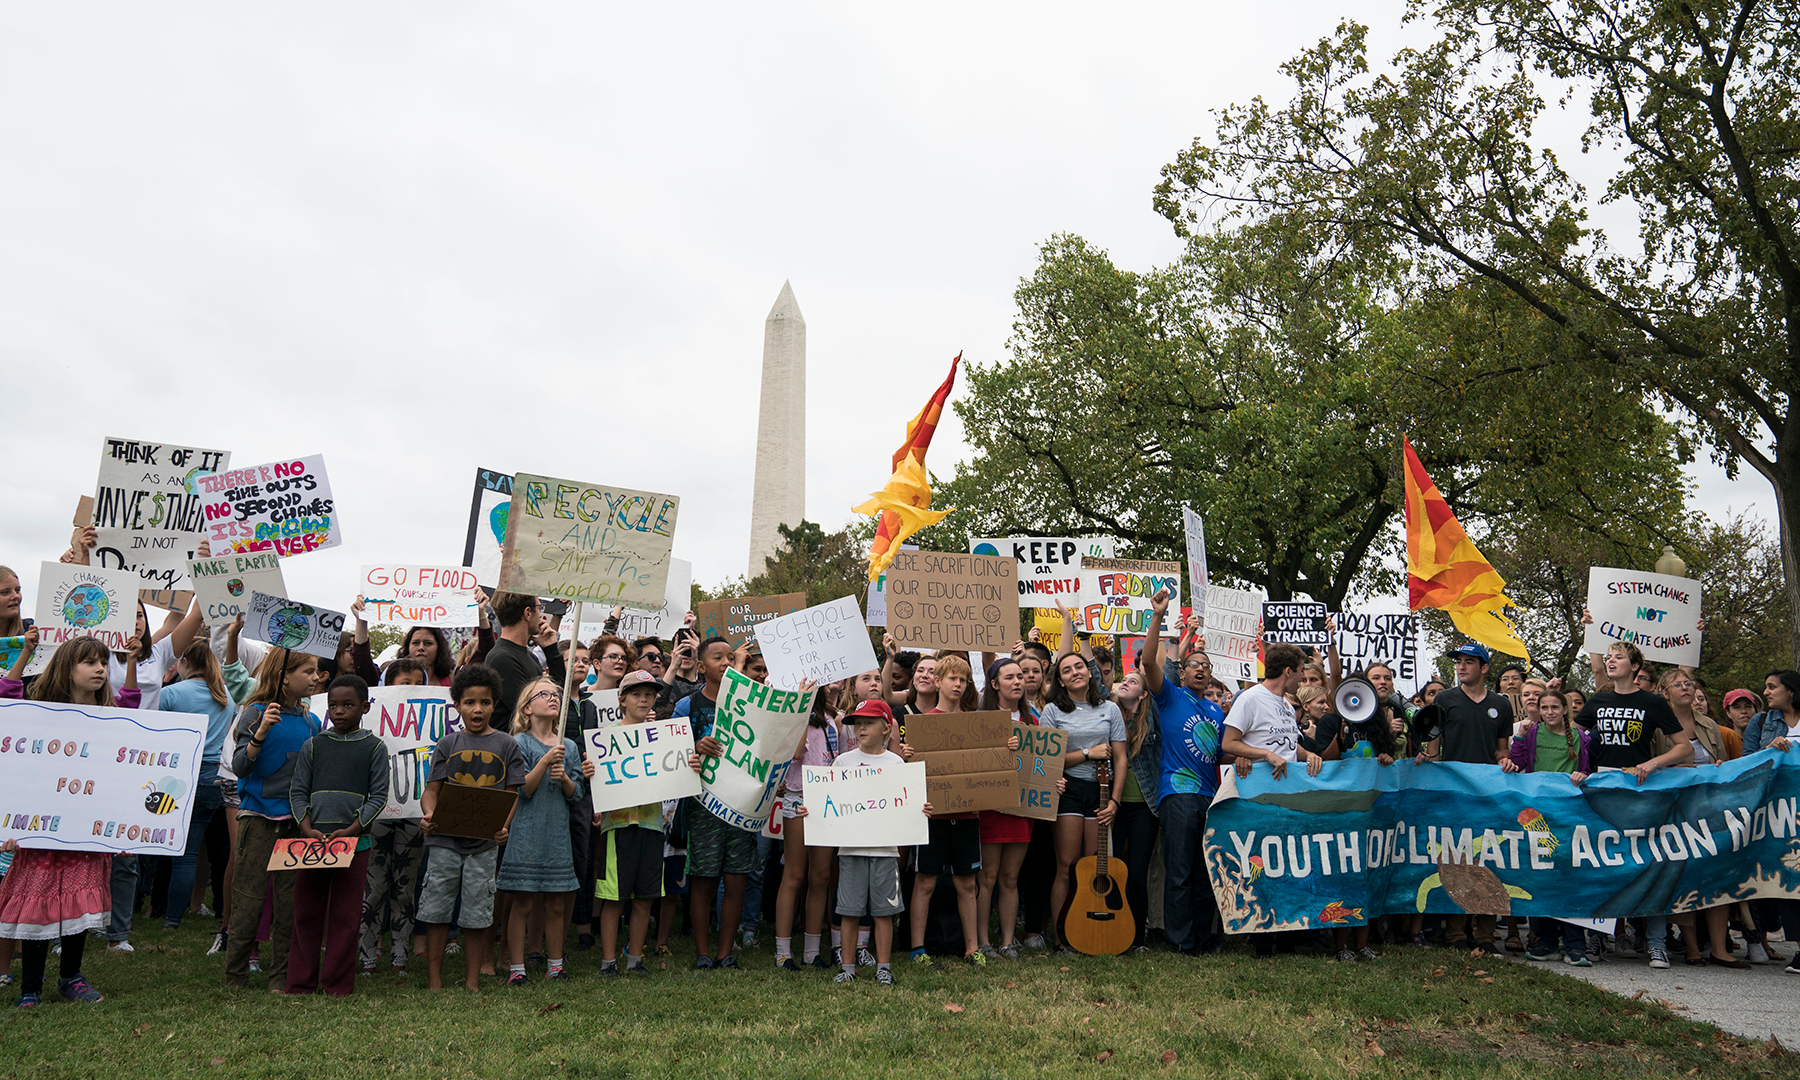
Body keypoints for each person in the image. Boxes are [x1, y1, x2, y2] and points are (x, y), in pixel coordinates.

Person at [0, 633, 141, 1005]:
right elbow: (8, 697)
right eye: (90, 662)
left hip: (86, 833)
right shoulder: (39, 713)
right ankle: (30, 985)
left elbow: (130, 708)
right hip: (42, 833)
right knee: (39, 904)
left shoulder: (110, 718)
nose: (99, 669)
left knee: (78, 904)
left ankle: (70, 978)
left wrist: (127, 831)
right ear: (67, 667)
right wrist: (27, 651)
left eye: (103, 662)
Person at [1568, 641, 1691, 969]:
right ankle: (1595, 938)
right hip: (1602, 793)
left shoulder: (1652, 702)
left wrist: (1654, 764)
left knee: (1648, 863)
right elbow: (1569, 738)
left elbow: (1684, 749)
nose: (1611, 661)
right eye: (1608, 657)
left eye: (1618, 657)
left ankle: (1656, 943)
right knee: (1602, 864)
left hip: (1641, 792)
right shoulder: (1599, 700)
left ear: (1635, 666)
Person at [418, 663, 527, 991]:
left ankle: (472, 981)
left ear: (494, 704)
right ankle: (434, 981)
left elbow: (512, 795)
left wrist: (501, 828)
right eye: (469, 702)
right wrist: (428, 815)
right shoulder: (447, 744)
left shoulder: (508, 745)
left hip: (483, 844)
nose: (477, 709)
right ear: (458, 706)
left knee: (478, 914)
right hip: (444, 842)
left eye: (484, 702)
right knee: (437, 911)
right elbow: (432, 790)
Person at [807, 699, 928, 985]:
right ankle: (847, 968)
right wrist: (810, 810)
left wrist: (920, 810)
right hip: (850, 849)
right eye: (857, 723)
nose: (861, 727)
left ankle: (883, 967)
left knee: (883, 913)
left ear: (887, 728)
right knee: (848, 911)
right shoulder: (843, 762)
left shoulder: (896, 763)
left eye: (868, 722)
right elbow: (828, 801)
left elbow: (906, 803)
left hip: (886, 850)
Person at [224, 648, 325, 990]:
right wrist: (260, 732)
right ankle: (235, 973)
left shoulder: (312, 722)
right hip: (257, 820)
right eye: (309, 671)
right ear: (284, 677)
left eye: (317, 671)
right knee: (249, 899)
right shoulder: (254, 712)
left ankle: (280, 975)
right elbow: (240, 767)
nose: (316, 677)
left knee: (289, 903)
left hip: (296, 824)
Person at [286, 674, 389, 996]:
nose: (339, 711)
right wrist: (306, 827)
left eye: (348, 704)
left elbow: (379, 795)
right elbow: (298, 790)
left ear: (364, 707)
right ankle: (300, 983)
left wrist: (353, 829)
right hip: (312, 843)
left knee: (345, 916)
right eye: (333, 705)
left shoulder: (374, 747)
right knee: (306, 912)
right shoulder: (314, 745)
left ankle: (337, 984)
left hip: (354, 844)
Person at [1220, 641, 1320, 957]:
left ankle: (1288, 937)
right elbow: (1229, 742)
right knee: (1261, 865)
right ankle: (1261, 939)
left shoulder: (1287, 705)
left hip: (1290, 797)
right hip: (1259, 798)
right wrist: (1263, 754)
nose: (1303, 677)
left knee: (1289, 864)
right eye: (1301, 671)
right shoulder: (1250, 699)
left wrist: (1309, 754)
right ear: (1288, 671)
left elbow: (1288, 747)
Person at [1411, 642, 1512, 952]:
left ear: (1484, 668)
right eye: (1458, 662)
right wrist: (1426, 759)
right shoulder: (1445, 699)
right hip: (1452, 794)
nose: (1461, 667)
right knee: (1455, 860)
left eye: (1470, 662)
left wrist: (1506, 761)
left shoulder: (1502, 704)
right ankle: (1455, 935)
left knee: (1488, 862)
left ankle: (1485, 936)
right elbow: (1433, 746)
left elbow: (1502, 750)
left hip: (1488, 795)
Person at [1141, 592, 1225, 956]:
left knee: (1205, 873)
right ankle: (1180, 941)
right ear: (1184, 671)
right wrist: (1157, 617)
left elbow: (1226, 748)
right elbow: (1147, 662)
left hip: (1212, 798)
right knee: (1178, 873)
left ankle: (1203, 940)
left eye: (1206, 665)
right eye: (1194, 665)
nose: (1201, 669)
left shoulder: (1217, 710)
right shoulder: (1171, 697)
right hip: (1177, 793)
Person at [674, 637, 756, 969]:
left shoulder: (750, 703)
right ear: (701, 666)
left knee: (736, 877)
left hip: (740, 805)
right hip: (703, 805)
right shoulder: (687, 706)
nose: (725, 662)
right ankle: (703, 953)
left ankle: (726, 952)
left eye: (730, 657)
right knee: (704, 878)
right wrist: (694, 747)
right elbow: (670, 754)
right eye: (717, 657)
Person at [905, 653, 991, 966]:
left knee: (967, 883)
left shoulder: (976, 723)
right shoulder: (921, 726)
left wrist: (1003, 749)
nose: (958, 684)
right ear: (938, 681)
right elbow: (908, 775)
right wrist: (908, 756)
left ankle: (972, 949)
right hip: (932, 816)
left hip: (967, 816)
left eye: (963, 679)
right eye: (953, 678)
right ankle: (918, 949)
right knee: (925, 881)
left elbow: (989, 764)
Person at [497, 675, 584, 984]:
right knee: (522, 902)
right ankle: (517, 969)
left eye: (556, 694)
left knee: (557, 903)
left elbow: (577, 795)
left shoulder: (569, 746)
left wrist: (565, 780)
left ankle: (556, 964)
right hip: (526, 834)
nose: (553, 698)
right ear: (527, 709)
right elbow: (524, 790)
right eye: (544, 694)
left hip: (556, 834)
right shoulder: (518, 743)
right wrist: (545, 761)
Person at [1038, 648, 1127, 952]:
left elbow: (1121, 758)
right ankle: (1062, 937)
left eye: (1079, 667)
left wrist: (1115, 801)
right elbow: (1047, 760)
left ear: (1090, 673)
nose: (1074, 672)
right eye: (1067, 670)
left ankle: (1087, 931)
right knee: (1066, 865)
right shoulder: (1052, 712)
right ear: (1060, 681)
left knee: (1091, 867)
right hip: (1068, 791)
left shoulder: (1110, 710)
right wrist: (1088, 753)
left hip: (1101, 791)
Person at [156, 637, 242, 932]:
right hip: (213, 780)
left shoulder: (171, 694)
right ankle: (176, 915)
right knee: (195, 851)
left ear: (185, 663)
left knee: (179, 854)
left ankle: (170, 918)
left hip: (178, 776)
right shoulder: (226, 698)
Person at [1504, 689, 1592, 966]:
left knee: (1570, 876)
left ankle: (1576, 943)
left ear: (1565, 710)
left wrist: (1584, 774)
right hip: (1537, 815)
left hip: (1568, 814)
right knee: (1539, 875)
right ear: (1539, 710)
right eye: (1545, 707)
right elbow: (1517, 764)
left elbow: (1590, 771)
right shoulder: (1531, 734)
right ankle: (1546, 942)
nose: (1550, 712)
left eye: (1556, 707)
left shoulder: (1581, 738)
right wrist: (1516, 743)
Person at [358, 658, 431, 976]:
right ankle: (366, 954)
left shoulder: (429, 721)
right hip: (377, 813)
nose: (411, 689)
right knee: (373, 887)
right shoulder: (370, 719)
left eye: (418, 683)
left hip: (413, 813)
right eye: (404, 683)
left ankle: (399, 955)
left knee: (405, 886)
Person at [592, 670, 667, 976]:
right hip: (618, 826)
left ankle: (635, 959)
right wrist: (590, 769)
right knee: (614, 897)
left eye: (649, 694)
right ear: (621, 699)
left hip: (651, 824)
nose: (644, 699)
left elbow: (674, 773)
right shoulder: (605, 736)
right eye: (636, 694)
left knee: (645, 897)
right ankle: (608, 962)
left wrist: (689, 763)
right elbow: (597, 774)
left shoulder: (663, 736)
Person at [774, 675, 839, 972]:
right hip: (798, 798)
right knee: (795, 873)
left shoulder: (831, 721)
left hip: (826, 800)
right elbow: (796, 752)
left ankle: (812, 951)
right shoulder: (789, 716)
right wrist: (801, 706)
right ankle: (783, 951)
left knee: (821, 875)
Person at [974, 657, 1038, 959]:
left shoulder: (1032, 721)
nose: (1017, 681)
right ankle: (983, 941)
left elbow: (1041, 765)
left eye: (1021, 676)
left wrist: (1054, 782)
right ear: (995, 684)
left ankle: (1008, 941)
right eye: (1010, 677)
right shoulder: (980, 718)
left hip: (1022, 809)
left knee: (1010, 878)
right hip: (989, 809)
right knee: (987, 877)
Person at [1110, 667, 1160, 953]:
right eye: (1123, 680)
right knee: (1112, 872)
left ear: (1143, 694)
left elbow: (1159, 675)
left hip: (1144, 807)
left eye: (1133, 681)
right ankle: (1112, 929)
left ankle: (1137, 939)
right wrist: (1080, 633)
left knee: (1137, 875)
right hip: (1112, 808)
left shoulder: (1151, 718)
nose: (1125, 683)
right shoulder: (1108, 713)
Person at [485, 592, 568, 734]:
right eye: (540, 607)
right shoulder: (502, 659)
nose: (541, 614)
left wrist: (551, 650)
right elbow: (536, 710)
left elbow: (558, 696)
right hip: (514, 751)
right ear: (528, 613)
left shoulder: (527, 656)